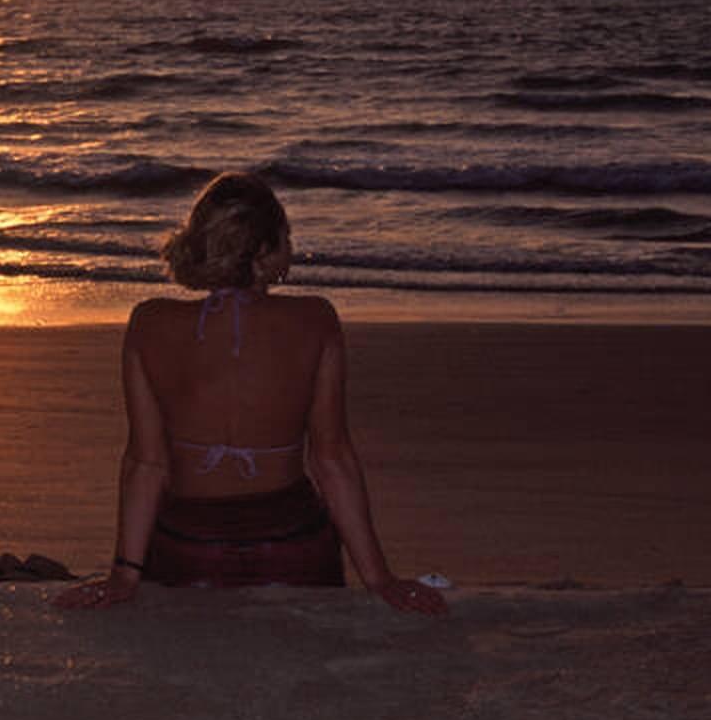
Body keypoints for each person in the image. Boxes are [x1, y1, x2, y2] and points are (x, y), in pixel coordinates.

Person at [56, 171, 446, 614]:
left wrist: (125, 573)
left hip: (188, 548)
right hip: (291, 546)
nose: (292, 247)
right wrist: (379, 579)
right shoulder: (316, 319)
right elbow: (330, 459)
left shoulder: (149, 323)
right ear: (263, 251)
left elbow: (146, 463)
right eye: (287, 236)